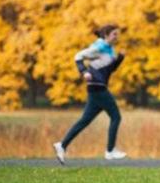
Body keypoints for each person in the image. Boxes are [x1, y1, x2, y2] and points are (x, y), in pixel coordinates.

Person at [53, 24, 127, 163]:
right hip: (98, 87)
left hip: (96, 88)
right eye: (114, 34)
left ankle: (62, 146)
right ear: (106, 35)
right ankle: (110, 151)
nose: (117, 36)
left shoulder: (109, 49)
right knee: (116, 117)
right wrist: (84, 71)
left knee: (84, 121)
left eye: (117, 34)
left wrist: (120, 58)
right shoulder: (98, 47)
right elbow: (78, 56)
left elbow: (110, 70)